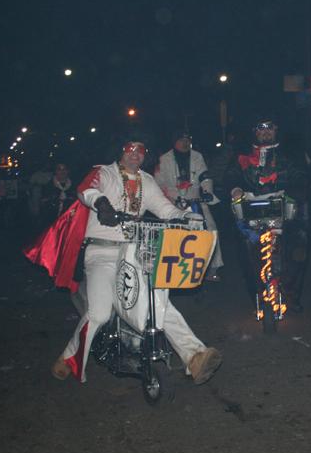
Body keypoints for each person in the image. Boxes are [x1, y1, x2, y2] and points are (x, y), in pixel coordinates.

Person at [51, 138, 222, 385]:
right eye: (130, 148)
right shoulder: (105, 172)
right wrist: (101, 203)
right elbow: (86, 190)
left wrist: (188, 217)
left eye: (141, 149)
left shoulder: (146, 181)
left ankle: (195, 356)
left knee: (156, 303)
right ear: (120, 150)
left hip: (134, 250)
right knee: (98, 314)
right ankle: (68, 358)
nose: (135, 153)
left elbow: (165, 209)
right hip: (101, 252)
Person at [224, 114, 309, 312]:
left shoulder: (290, 153)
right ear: (255, 131)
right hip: (252, 210)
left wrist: (293, 194)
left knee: (301, 238)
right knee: (245, 244)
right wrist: (235, 189)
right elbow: (230, 175)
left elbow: (300, 177)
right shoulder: (242, 155)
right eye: (261, 127)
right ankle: (258, 295)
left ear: (276, 129)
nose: (266, 131)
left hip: (284, 209)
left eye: (270, 126)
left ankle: (290, 293)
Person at [154, 131, 223, 281]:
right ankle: (168, 267)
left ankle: (212, 267)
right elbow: (158, 182)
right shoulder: (164, 159)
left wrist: (207, 192)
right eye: (181, 140)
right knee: (167, 234)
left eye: (187, 140)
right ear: (175, 142)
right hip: (172, 203)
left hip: (195, 200)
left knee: (211, 229)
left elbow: (205, 176)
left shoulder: (197, 156)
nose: (185, 143)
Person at [39, 163, 76, 228]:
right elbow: (43, 207)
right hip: (52, 221)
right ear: (56, 171)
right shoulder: (48, 186)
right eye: (60, 169)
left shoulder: (74, 186)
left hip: (70, 220)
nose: (62, 171)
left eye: (65, 169)